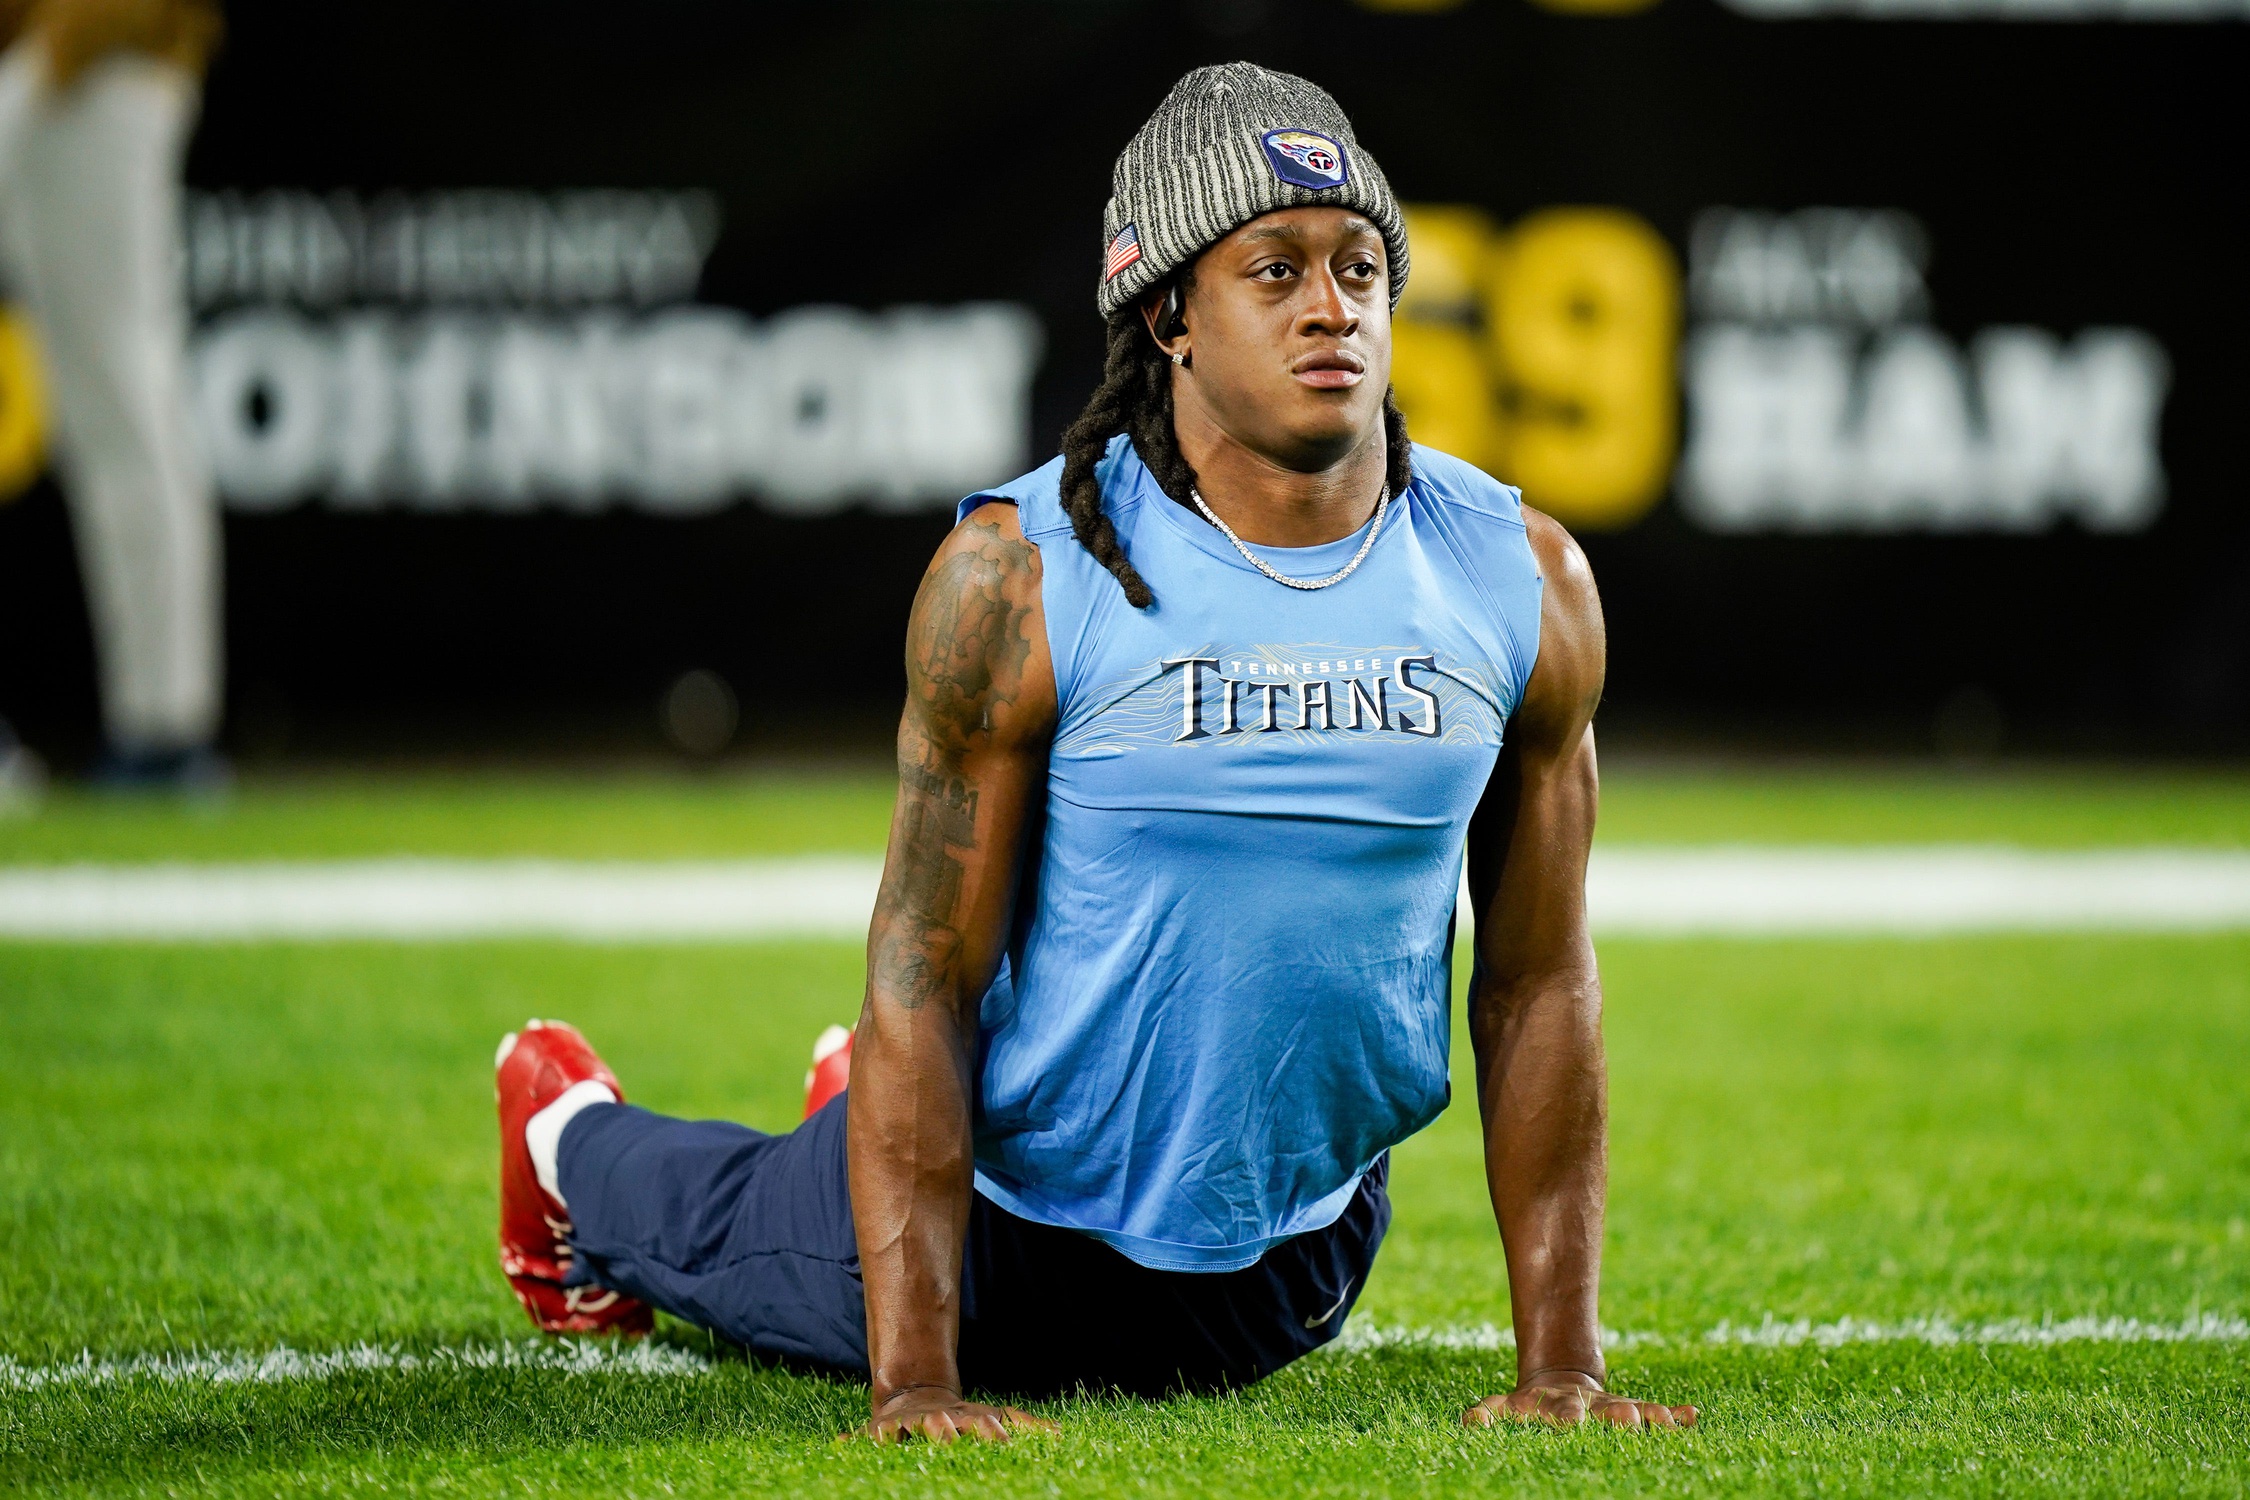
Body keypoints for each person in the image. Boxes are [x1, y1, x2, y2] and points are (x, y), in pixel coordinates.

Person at [492, 63, 1696, 1441]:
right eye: (1276, 268)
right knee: (716, 1229)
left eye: (1360, 265)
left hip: (1298, 1261)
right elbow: (924, 980)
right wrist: (918, 1384)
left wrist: (1563, 1370)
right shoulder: (1018, 581)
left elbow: (1537, 980)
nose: (1332, 306)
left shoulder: (1518, 575)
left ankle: (859, 1131)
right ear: (1170, 311)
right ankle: (566, 1141)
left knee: (1157, 1343)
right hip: (1019, 1232)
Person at [0, 0, 225, 788]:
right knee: (116, 417)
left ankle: (165, 731)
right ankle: (162, 725)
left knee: (125, 410)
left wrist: (37, 71)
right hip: (61, 73)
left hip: (97, 77)